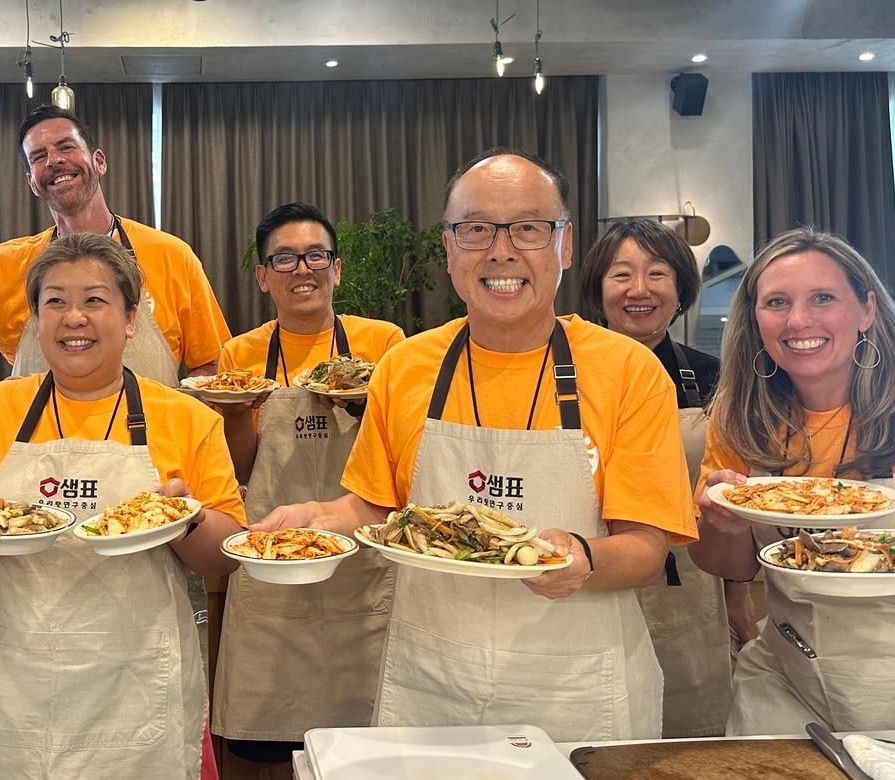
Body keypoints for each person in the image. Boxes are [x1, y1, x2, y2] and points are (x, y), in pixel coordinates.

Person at [255, 149, 697, 741]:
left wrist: (582, 558)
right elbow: (376, 507)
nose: (501, 251)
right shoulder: (406, 366)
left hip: (577, 684)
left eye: (528, 228)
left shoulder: (629, 372)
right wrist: (316, 518)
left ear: (565, 245)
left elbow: (646, 545)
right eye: (476, 229)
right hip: (433, 675)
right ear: (448, 247)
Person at [0, 232, 245, 780]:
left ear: (131, 320)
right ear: (35, 319)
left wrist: (184, 516)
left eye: (95, 300)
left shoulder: (184, 416)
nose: (73, 318)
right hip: (15, 680)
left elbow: (224, 555)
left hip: (135, 681)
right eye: (55, 301)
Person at [692, 227, 895, 735]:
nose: (798, 320)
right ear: (755, 320)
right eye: (777, 302)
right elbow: (727, 565)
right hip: (788, 676)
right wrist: (723, 524)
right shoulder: (742, 418)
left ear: (867, 309)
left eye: (823, 297)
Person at [209, 203, 403, 780]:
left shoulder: (384, 345)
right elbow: (239, 469)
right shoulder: (240, 355)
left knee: (366, 758)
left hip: (361, 578)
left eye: (316, 254)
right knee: (275, 765)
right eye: (284, 258)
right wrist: (240, 411)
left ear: (337, 268)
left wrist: (363, 405)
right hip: (272, 576)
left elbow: (401, 460)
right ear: (262, 276)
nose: (303, 269)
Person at [0, 105, 230, 381]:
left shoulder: (171, 255)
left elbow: (212, 363)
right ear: (32, 183)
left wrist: (183, 415)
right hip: (42, 438)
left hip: (149, 436)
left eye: (66, 147)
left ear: (99, 161)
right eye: (38, 156)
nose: (54, 160)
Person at [578, 217, 732, 737]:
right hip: (587, 576)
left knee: (685, 739)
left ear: (680, 289)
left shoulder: (711, 376)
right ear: (598, 290)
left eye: (657, 273)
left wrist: (737, 595)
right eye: (621, 274)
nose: (639, 289)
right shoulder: (561, 373)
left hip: (687, 586)